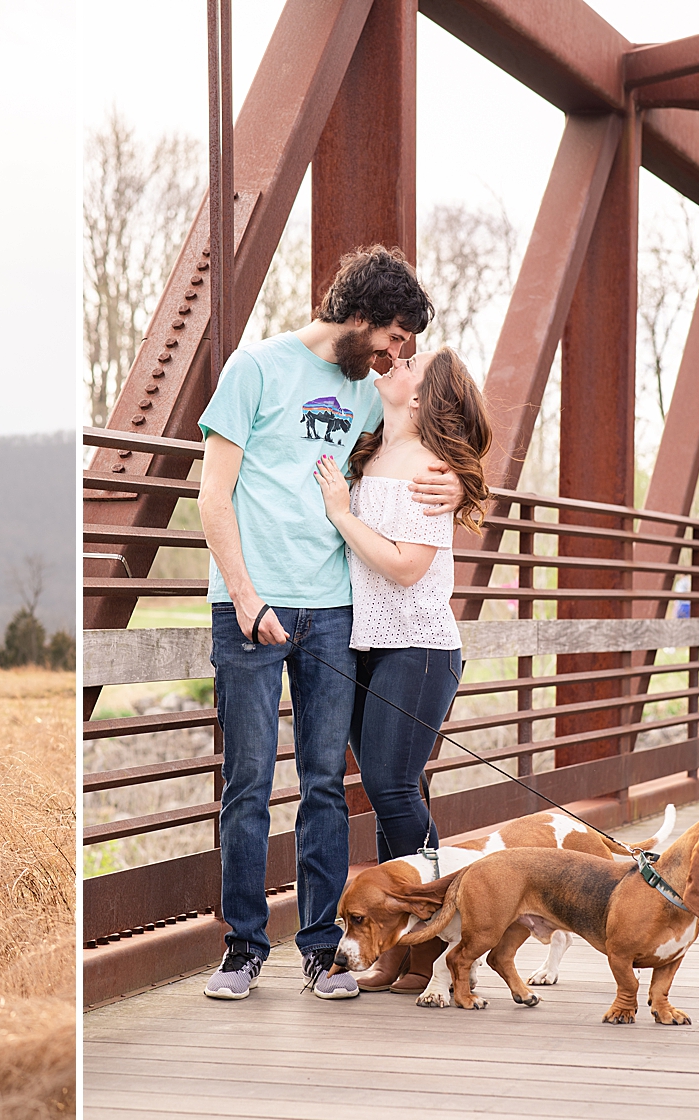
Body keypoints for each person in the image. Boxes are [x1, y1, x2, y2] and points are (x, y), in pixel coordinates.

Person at [198, 245, 462, 1001]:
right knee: (247, 783)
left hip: (333, 610)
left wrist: (458, 483)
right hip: (250, 607)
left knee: (323, 787)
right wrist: (247, 598)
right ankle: (244, 948)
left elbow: (433, 443)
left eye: (403, 349)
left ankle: (320, 950)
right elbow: (214, 498)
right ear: (363, 316)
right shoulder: (254, 370)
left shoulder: (367, 393)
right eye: (393, 339)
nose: (395, 356)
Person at [314, 345, 492, 995]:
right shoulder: (371, 447)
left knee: (390, 787)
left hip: (417, 647)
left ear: (420, 398)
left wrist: (340, 513)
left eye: (410, 362)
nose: (395, 362)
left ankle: (413, 945)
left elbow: (407, 566)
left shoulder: (427, 468)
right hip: (368, 644)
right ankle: (431, 939)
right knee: (394, 791)